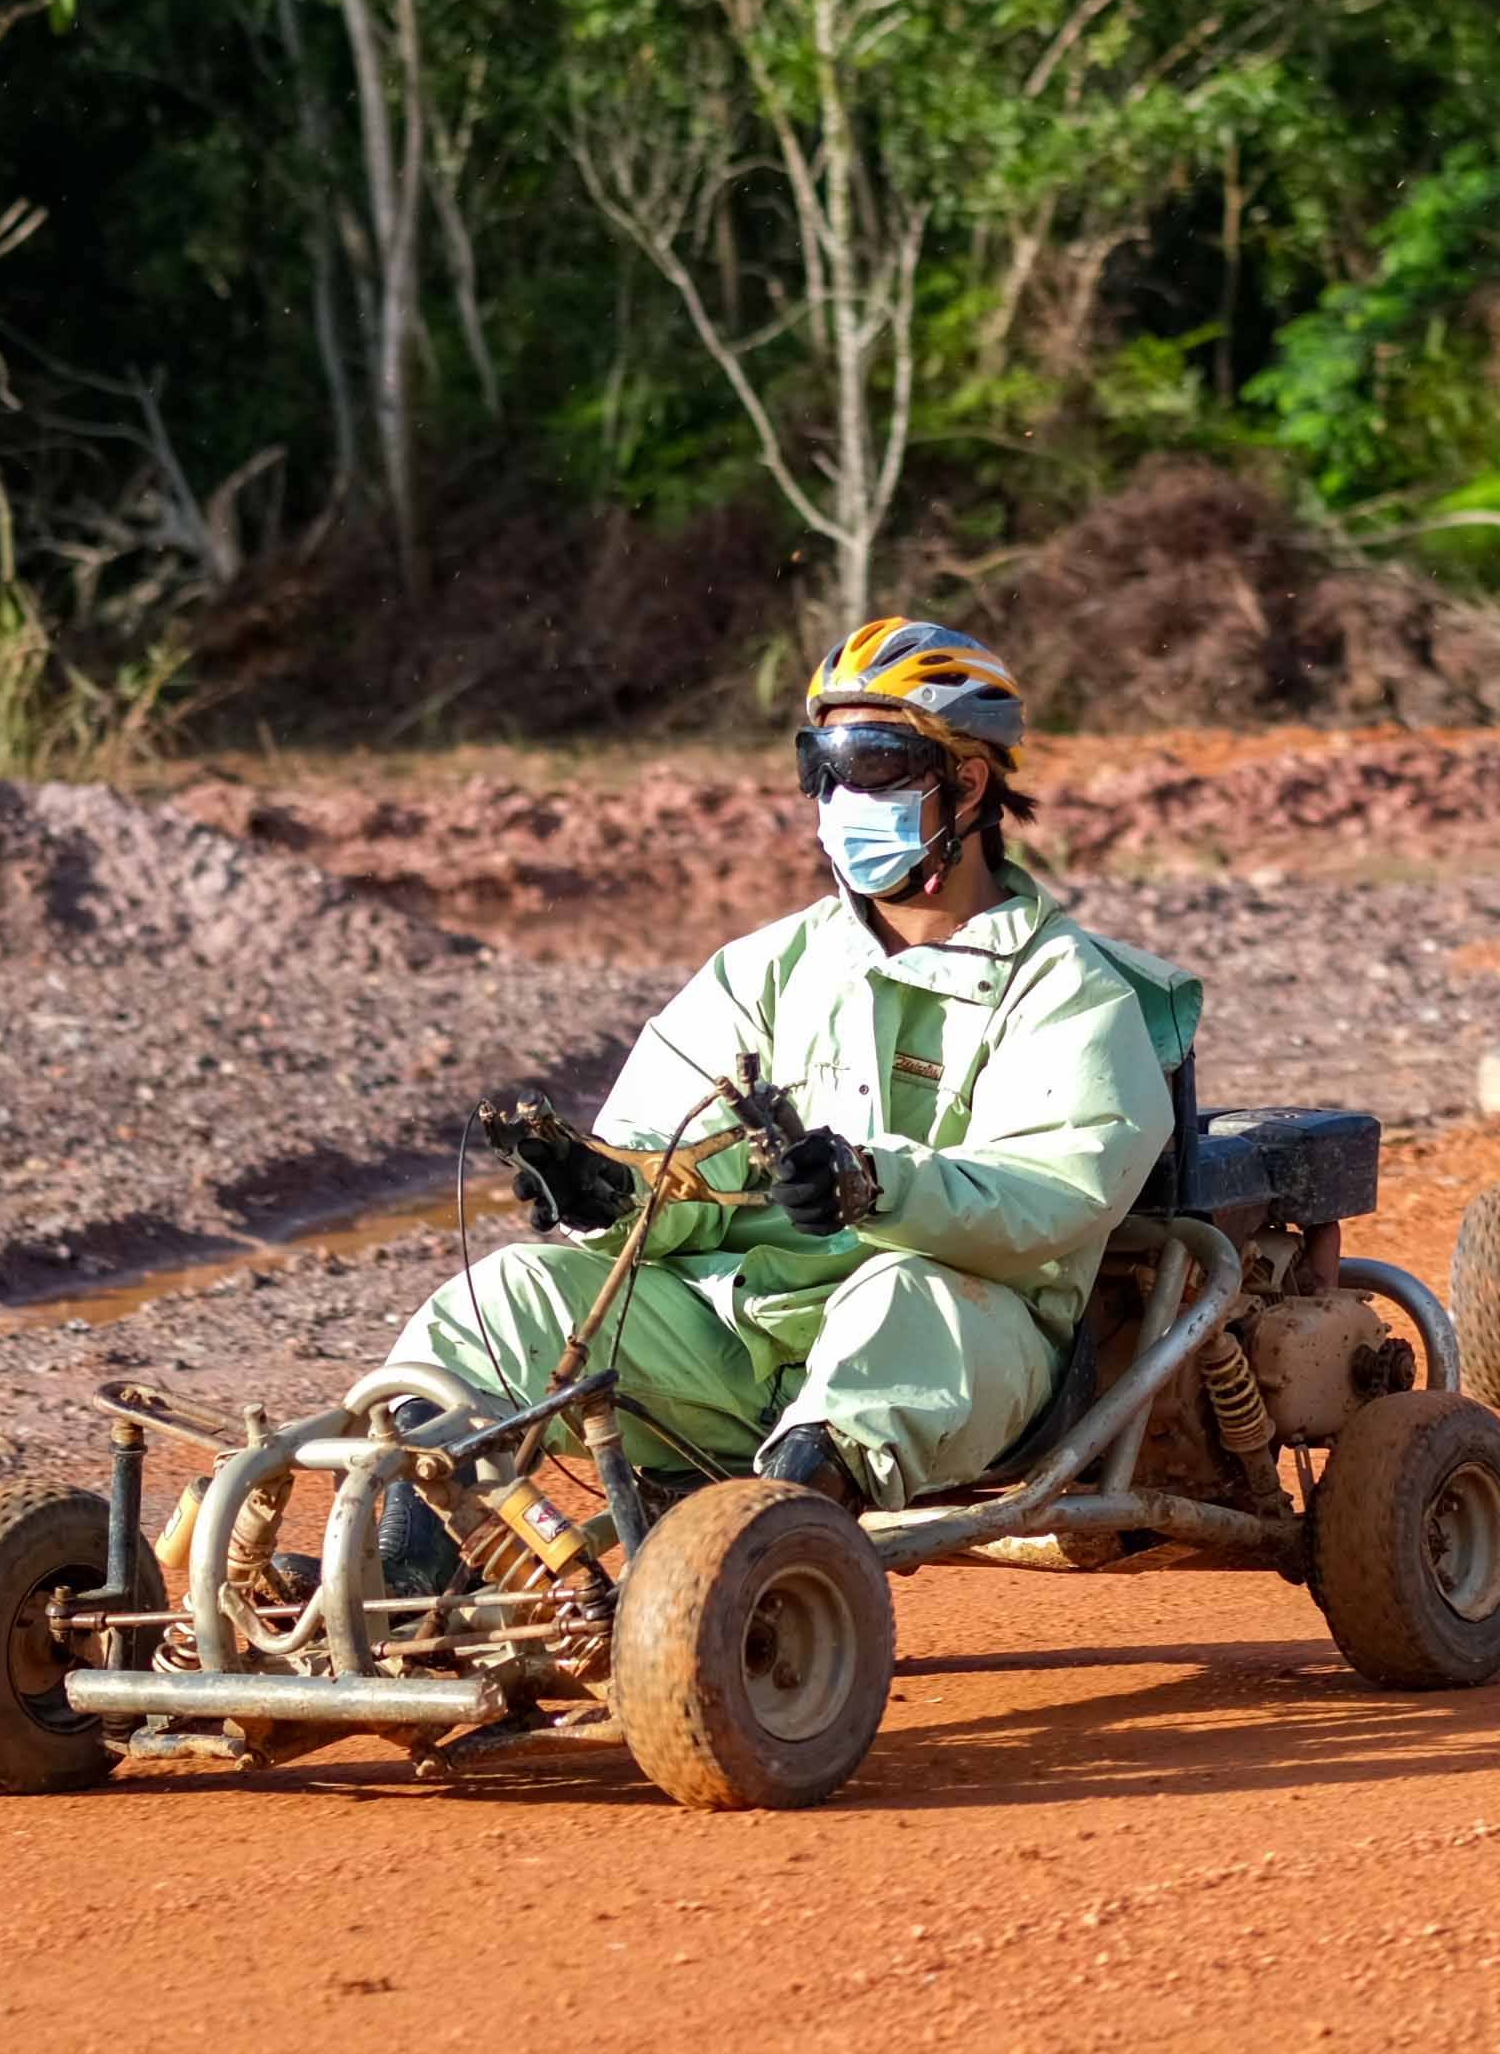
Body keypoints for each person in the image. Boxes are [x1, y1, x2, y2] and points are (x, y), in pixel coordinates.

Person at [380, 618, 1189, 1519]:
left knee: (898, 1293)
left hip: (959, 1345)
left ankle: (772, 1556)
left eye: (872, 759)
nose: (841, 793)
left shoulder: (1070, 988)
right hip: (737, 1335)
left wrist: (874, 1187)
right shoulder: (762, 968)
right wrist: (613, 1188)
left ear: (965, 780)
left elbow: (1055, 1192)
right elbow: (670, 1134)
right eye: (822, 763)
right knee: (508, 1295)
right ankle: (397, 1569)